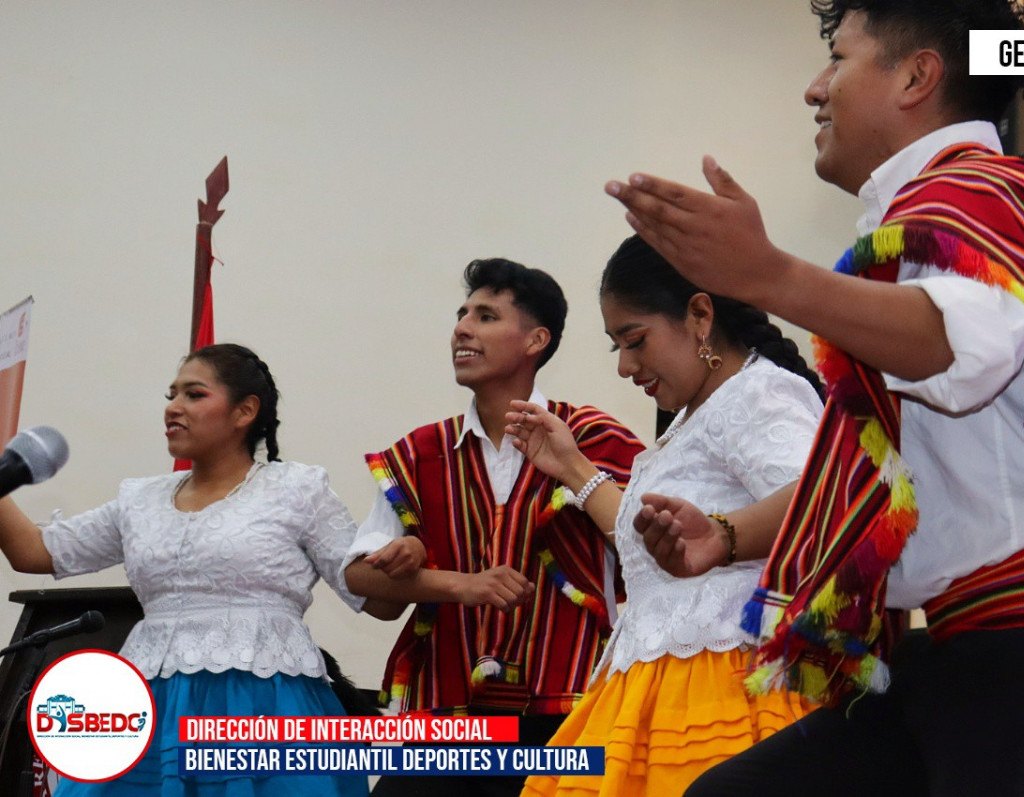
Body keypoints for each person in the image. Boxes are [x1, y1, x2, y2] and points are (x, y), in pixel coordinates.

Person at [605, 1, 1024, 795]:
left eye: (839, 58)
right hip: (977, 654)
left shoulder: (973, 198)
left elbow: (962, 345)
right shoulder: (943, 212)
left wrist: (772, 276)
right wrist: (726, 533)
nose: (815, 88)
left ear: (917, 76)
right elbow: (882, 480)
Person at [509, 235, 824, 797]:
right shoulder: (692, 417)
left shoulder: (757, 392)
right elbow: (658, 556)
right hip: (653, 680)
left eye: (635, 340)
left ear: (700, 315)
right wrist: (572, 468)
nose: (625, 366)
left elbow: (822, 500)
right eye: (616, 347)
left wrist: (724, 536)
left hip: (719, 682)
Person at [0, 343, 372, 796]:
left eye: (194, 395)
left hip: (262, 702)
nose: (173, 407)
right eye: (171, 395)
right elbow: (35, 552)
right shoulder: (140, 500)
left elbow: (366, 585)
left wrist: (417, 556)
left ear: (245, 411)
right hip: (149, 703)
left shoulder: (296, 488)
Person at [342, 258, 643, 797]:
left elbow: (644, 551)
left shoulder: (593, 437)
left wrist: (576, 471)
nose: (462, 328)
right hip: (449, 711)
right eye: (461, 315)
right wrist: (453, 581)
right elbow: (361, 581)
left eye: (485, 316)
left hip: (566, 703)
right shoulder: (423, 451)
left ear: (535, 340)